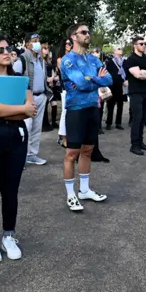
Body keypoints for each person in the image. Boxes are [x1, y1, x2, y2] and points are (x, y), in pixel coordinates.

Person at [0, 36, 36, 262]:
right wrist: (18, 109)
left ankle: (9, 235)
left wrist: (9, 110)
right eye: (0, 49)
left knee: (11, 191)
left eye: (8, 48)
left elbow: (30, 110)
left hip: (16, 139)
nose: (6, 52)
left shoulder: (20, 78)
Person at [60, 23, 112, 211]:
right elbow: (81, 83)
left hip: (92, 107)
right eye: (84, 32)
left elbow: (109, 80)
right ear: (74, 36)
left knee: (88, 150)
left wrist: (91, 79)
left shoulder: (92, 59)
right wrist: (95, 79)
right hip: (76, 110)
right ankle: (70, 194)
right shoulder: (67, 60)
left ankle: (84, 190)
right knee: (71, 153)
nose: (87, 35)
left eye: (88, 32)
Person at [13, 33, 52, 165]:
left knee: (36, 128)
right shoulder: (22, 59)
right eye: (34, 41)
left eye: (38, 41)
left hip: (41, 96)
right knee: (26, 127)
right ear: (26, 44)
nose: (37, 44)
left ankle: (32, 155)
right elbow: (16, 78)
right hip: (27, 99)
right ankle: (20, 157)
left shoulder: (41, 59)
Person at [123, 36, 146, 156]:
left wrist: (144, 73)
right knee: (137, 119)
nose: (144, 45)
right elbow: (138, 75)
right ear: (135, 45)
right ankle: (134, 145)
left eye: (144, 43)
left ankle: (141, 142)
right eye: (141, 43)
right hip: (135, 92)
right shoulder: (131, 59)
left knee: (143, 118)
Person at [55, 39, 73, 147]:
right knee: (65, 113)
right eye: (67, 43)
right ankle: (63, 138)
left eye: (70, 43)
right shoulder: (60, 59)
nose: (69, 45)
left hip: (75, 88)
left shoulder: (73, 57)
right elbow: (66, 73)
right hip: (66, 88)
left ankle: (69, 136)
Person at [105, 47, 126, 130]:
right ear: (114, 51)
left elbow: (126, 72)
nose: (120, 50)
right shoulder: (110, 61)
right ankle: (108, 123)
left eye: (121, 49)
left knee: (120, 104)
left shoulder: (124, 61)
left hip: (121, 85)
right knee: (110, 104)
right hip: (112, 85)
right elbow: (107, 72)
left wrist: (125, 80)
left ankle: (118, 123)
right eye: (118, 49)